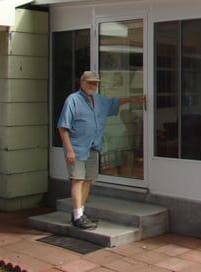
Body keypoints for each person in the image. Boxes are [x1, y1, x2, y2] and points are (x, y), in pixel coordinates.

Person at [57, 71, 143, 230]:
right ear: (81, 83)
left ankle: (79, 213)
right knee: (77, 179)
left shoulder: (99, 100)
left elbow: (114, 103)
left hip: (93, 147)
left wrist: (133, 99)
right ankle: (77, 217)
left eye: (95, 83)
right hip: (76, 148)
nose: (93, 86)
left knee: (88, 180)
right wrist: (69, 150)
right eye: (90, 82)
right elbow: (63, 127)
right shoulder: (73, 100)